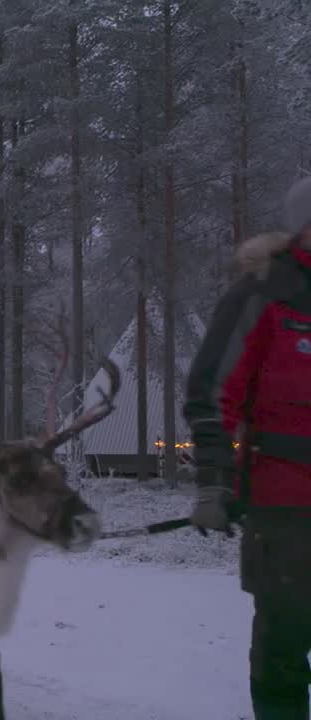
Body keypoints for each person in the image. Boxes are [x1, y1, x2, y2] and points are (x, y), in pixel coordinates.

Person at [183, 177, 311, 720]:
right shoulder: (265, 292)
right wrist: (215, 480)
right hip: (285, 510)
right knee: (284, 648)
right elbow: (212, 394)